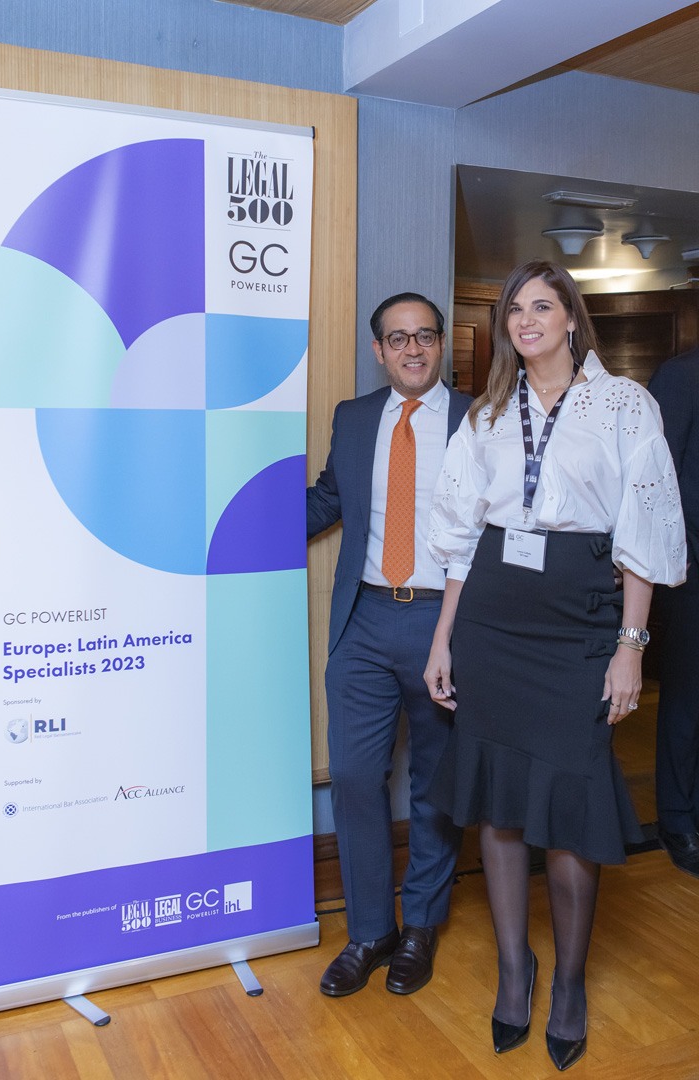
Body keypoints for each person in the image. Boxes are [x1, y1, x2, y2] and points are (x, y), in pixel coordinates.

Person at [423, 261, 685, 1071]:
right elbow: (460, 539)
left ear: (572, 317)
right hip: (492, 620)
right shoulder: (486, 412)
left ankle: (569, 984)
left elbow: (643, 534)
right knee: (500, 805)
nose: (527, 319)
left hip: (579, 623)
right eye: (515, 309)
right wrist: (443, 639)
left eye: (544, 306)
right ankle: (516, 969)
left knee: (571, 801)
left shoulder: (623, 404)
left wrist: (631, 647)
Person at [307, 292, 472, 997]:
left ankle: (421, 926)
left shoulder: (478, 419)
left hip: (445, 624)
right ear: (379, 350)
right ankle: (370, 931)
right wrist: (240, 520)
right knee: (352, 777)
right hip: (364, 620)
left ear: (441, 345)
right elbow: (328, 498)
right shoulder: (353, 417)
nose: (413, 349)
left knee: (434, 783)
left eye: (424, 336)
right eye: (398, 338)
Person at [648, 348, 699, 876]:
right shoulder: (680, 376)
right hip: (692, 576)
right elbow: (663, 486)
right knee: (687, 703)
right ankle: (677, 819)